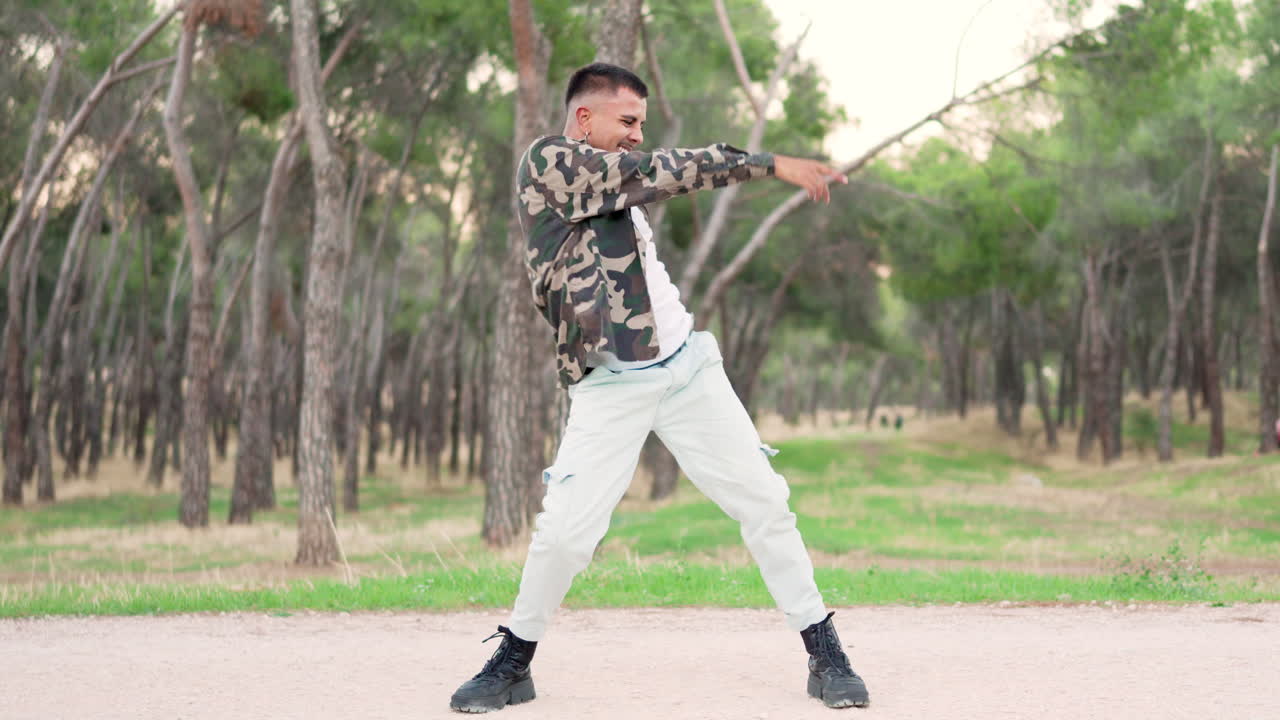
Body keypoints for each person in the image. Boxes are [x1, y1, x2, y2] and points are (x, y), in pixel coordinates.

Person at [449, 63, 869, 713]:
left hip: (686, 369)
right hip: (609, 387)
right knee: (563, 534)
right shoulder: (550, 163)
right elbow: (660, 172)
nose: (637, 137)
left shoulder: (614, 179)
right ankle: (513, 661)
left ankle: (824, 650)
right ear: (585, 118)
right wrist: (767, 163)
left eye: (642, 124)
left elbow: (643, 199)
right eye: (628, 122)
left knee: (763, 500)